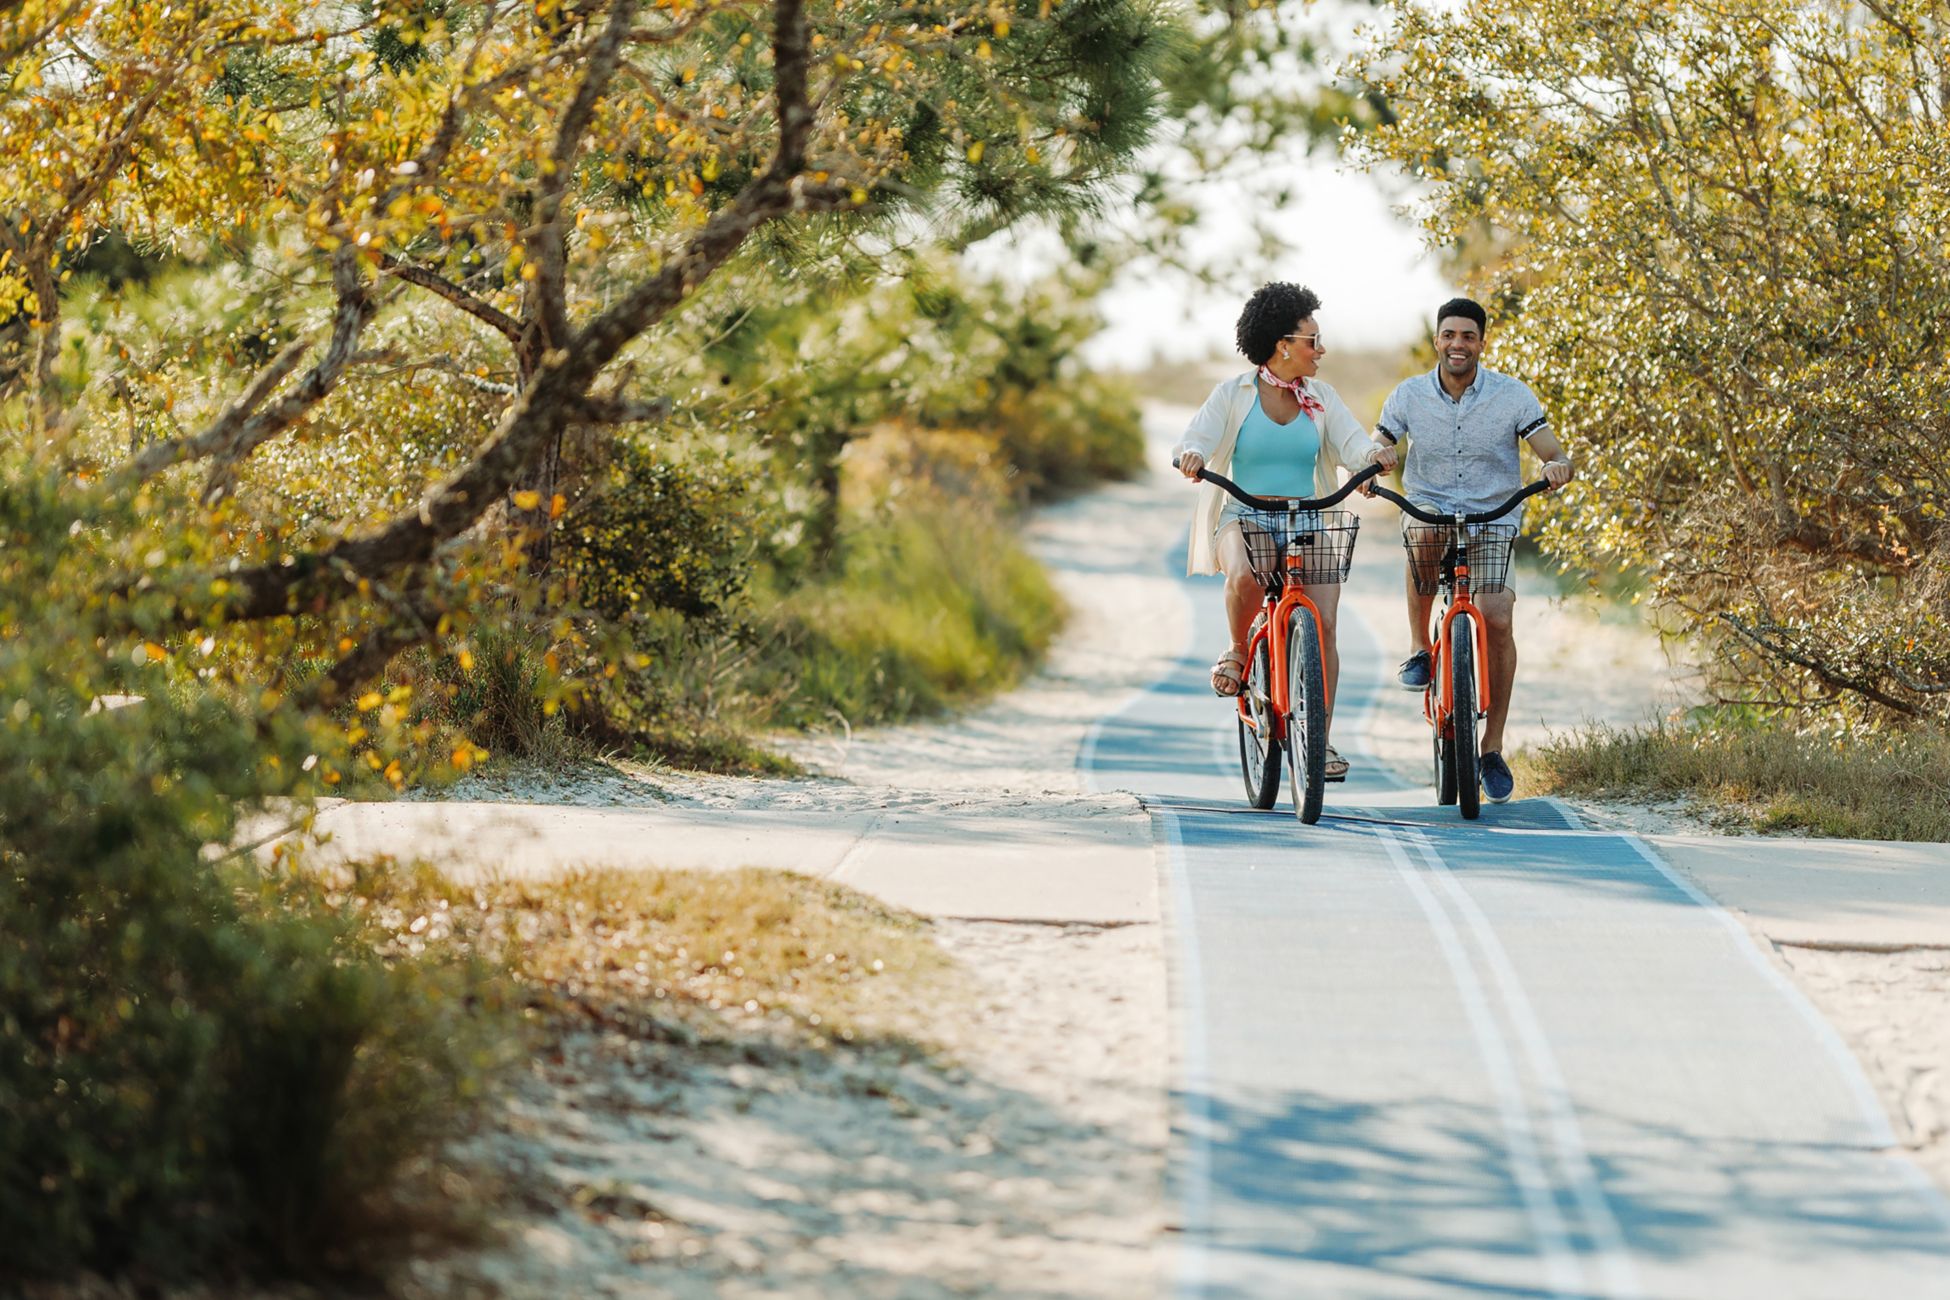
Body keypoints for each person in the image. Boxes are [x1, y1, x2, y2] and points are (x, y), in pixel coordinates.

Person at [1366, 297, 1575, 803]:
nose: (1458, 344)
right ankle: (1419, 648)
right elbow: (1379, 442)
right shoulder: (1408, 395)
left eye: (1468, 336)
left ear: (1482, 342)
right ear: (1436, 340)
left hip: (1492, 517)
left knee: (1497, 618)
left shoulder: (1513, 396)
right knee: (1421, 534)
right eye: (1449, 335)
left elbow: (1551, 449)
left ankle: (1492, 746)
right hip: (1432, 508)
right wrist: (1377, 458)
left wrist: (1557, 466)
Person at [1174, 282, 1384, 781]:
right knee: (1247, 575)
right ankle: (1240, 648)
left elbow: (1353, 442)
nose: (1321, 350)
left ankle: (1321, 739)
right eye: (1313, 340)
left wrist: (1371, 460)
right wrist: (1193, 455)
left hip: (1307, 515)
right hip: (1245, 514)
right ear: (1282, 344)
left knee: (1325, 623)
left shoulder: (1321, 397)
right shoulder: (1234, 393)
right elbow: (1198, 435)